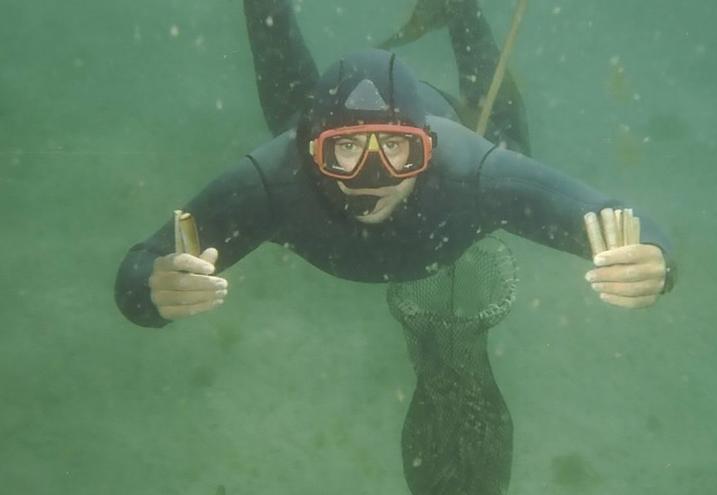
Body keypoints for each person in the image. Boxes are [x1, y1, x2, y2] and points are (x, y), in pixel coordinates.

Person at [114, 0, 676, 492]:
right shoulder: (273, 180)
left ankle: (461, 9)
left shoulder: (473, 171)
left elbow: (617, 222)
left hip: (446, 123)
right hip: (306, 129)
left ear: (429, 146)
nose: (373, 175)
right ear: (313, 150)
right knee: (281, 85)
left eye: (400, 152)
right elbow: (141, 267)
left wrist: (653, 259)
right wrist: (152, 289)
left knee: (504, 132)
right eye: (344, 153)